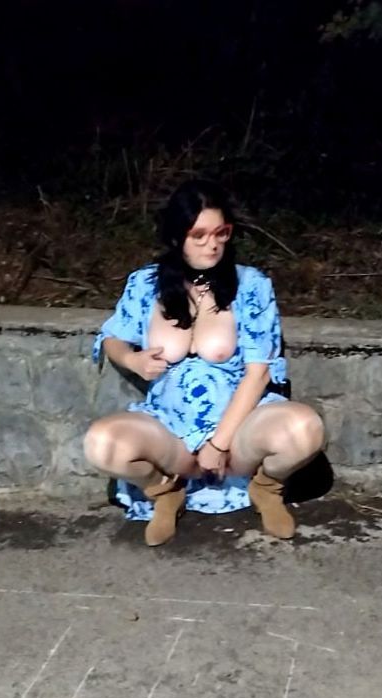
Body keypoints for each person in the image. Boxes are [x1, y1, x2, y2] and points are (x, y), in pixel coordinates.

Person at [84, 179, 325, 546]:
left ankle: (265, 487)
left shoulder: (251, 285)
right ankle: (165, 492)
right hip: (169, 429)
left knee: (305, 428)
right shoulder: (145, 284)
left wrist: (219, 444)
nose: (212, 244)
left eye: (220, 233)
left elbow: (258, 373)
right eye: (198, 235)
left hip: (240, 429)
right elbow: (112, 337)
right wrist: (132, 359)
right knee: (101, 443)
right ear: (176, 236)